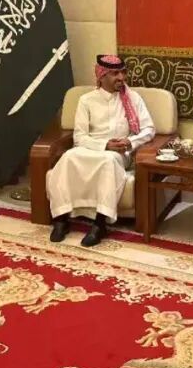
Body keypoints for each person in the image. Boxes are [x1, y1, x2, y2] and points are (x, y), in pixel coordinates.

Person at [46, 54, 154, 248]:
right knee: (68, 157)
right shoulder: (86, 100)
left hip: (119, 153)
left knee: (108, 161)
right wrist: (104, 145)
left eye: (123, 72)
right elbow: (79, 137)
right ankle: (61, 219)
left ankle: (100, 223)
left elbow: (149, 129)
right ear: (101, 76)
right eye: (115, 74)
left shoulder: (133, 98)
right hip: (91, 148)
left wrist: (130, 142)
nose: (121, 78)